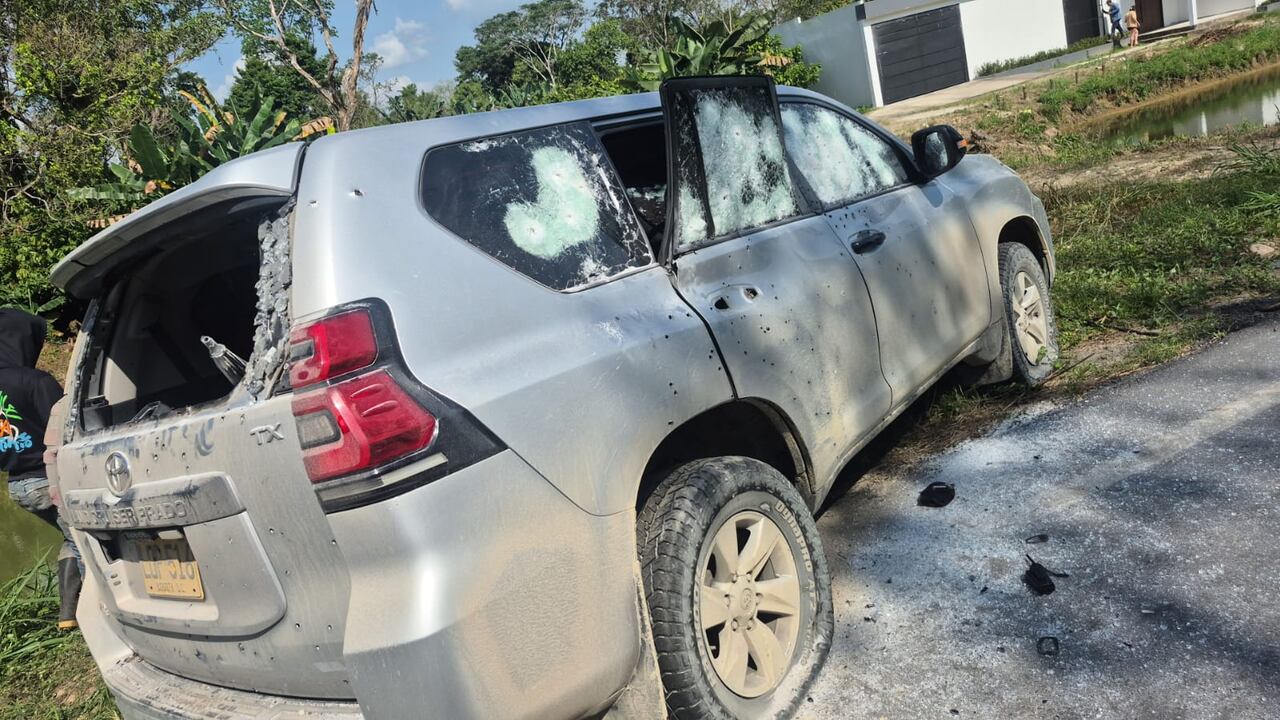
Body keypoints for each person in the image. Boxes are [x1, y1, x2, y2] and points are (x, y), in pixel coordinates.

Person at [0, 308, 79, 630]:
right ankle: (104, 613)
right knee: (90, 542)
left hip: (18, 487)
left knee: (71, 537)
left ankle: (68, 616)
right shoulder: (35, 381)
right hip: (49, 480)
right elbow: (70, 430)